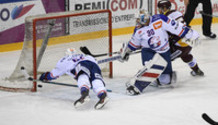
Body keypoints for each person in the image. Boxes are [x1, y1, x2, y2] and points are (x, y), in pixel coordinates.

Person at [119, 9, 200, 95]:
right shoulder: (138, 30)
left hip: (164, 51)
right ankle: (139, 82)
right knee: (153, 66)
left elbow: (176, 27)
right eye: (137, 19)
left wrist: (190, 34)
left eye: (139, 19)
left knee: (165, 81)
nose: (137, 21)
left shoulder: (160, 19)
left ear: (144, 18)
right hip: (148, 51)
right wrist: (126, 51)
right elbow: (134, 45)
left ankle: (152, 75)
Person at [39, 48, 109, 109]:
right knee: (96, 80)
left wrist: (44, 76)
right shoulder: (83, 55)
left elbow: (53, 75)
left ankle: (84, 95)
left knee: (82, 76)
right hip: (94, 65)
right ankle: (103, 96)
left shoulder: (64, 60)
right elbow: (94, 61)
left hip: (82, 64)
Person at [157, 0, 204, 76]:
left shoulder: (164, 18)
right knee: (186, 56)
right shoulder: (177, 13)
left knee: (163, 59)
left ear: (164, 8)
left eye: (159, 8)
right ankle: (197, 70)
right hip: (188, 43)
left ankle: (165, 77)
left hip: (179, 46)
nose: (158, 10)